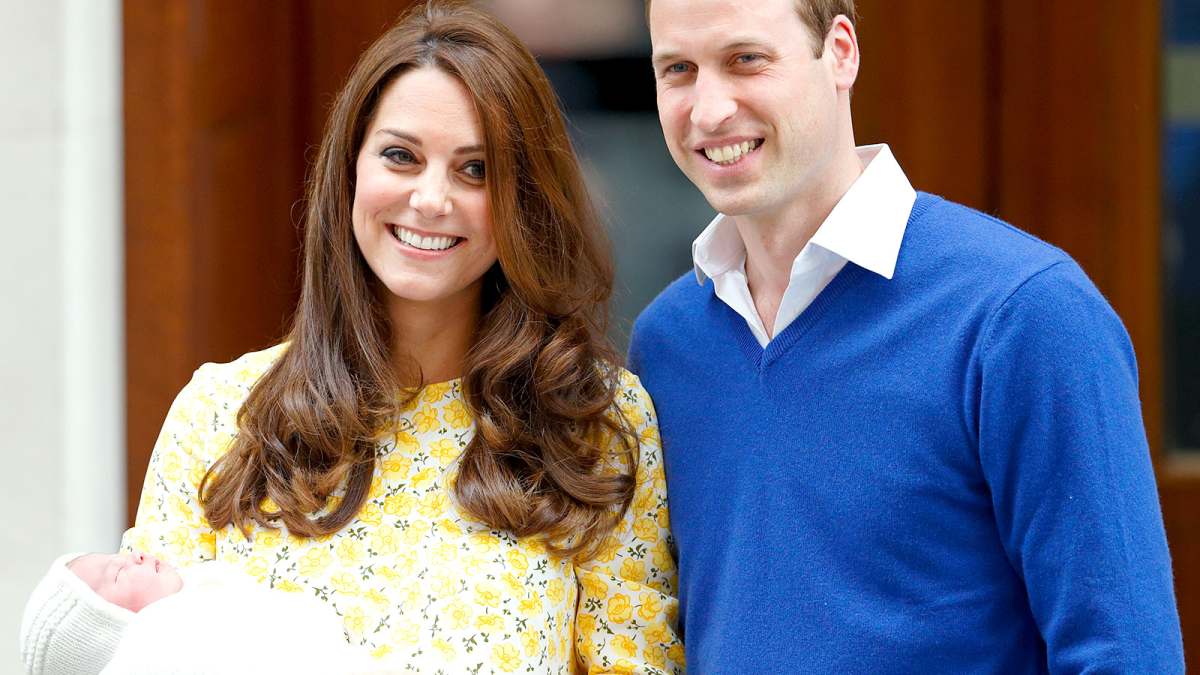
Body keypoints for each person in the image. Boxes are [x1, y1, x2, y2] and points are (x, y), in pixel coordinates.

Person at [119, 2, 683, 673]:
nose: (431, 198)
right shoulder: (219, 415)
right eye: (400, 156)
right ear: (351, 169)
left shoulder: (595, 427)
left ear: (522, 199)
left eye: (476, 169)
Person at [627, 0, 1184, 672]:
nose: (709, 109)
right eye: (678, 70)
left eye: (746, 59)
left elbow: (1124, 654)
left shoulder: (1024, 313)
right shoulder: (666, 345)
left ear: (840, 52)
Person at [20, 551, 372, 674]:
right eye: (117, 572)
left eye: (120, 556)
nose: (135, 556)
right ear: (103, 629)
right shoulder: (156, 643)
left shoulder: (201, 590)